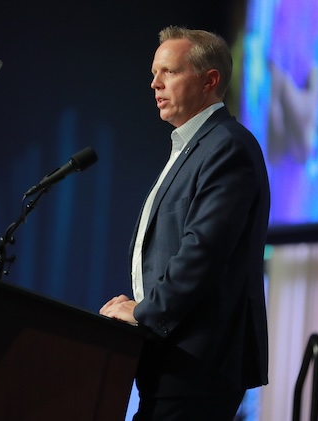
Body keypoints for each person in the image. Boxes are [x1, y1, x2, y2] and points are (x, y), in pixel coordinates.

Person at [100, 26, 270, 420]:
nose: (154, 83)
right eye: (154, 72)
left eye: (169, 72)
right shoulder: (194, 146)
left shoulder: (226, 146)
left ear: (209, 80)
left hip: (199, 361)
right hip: (172, 356)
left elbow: (203, 251)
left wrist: (143, 312)